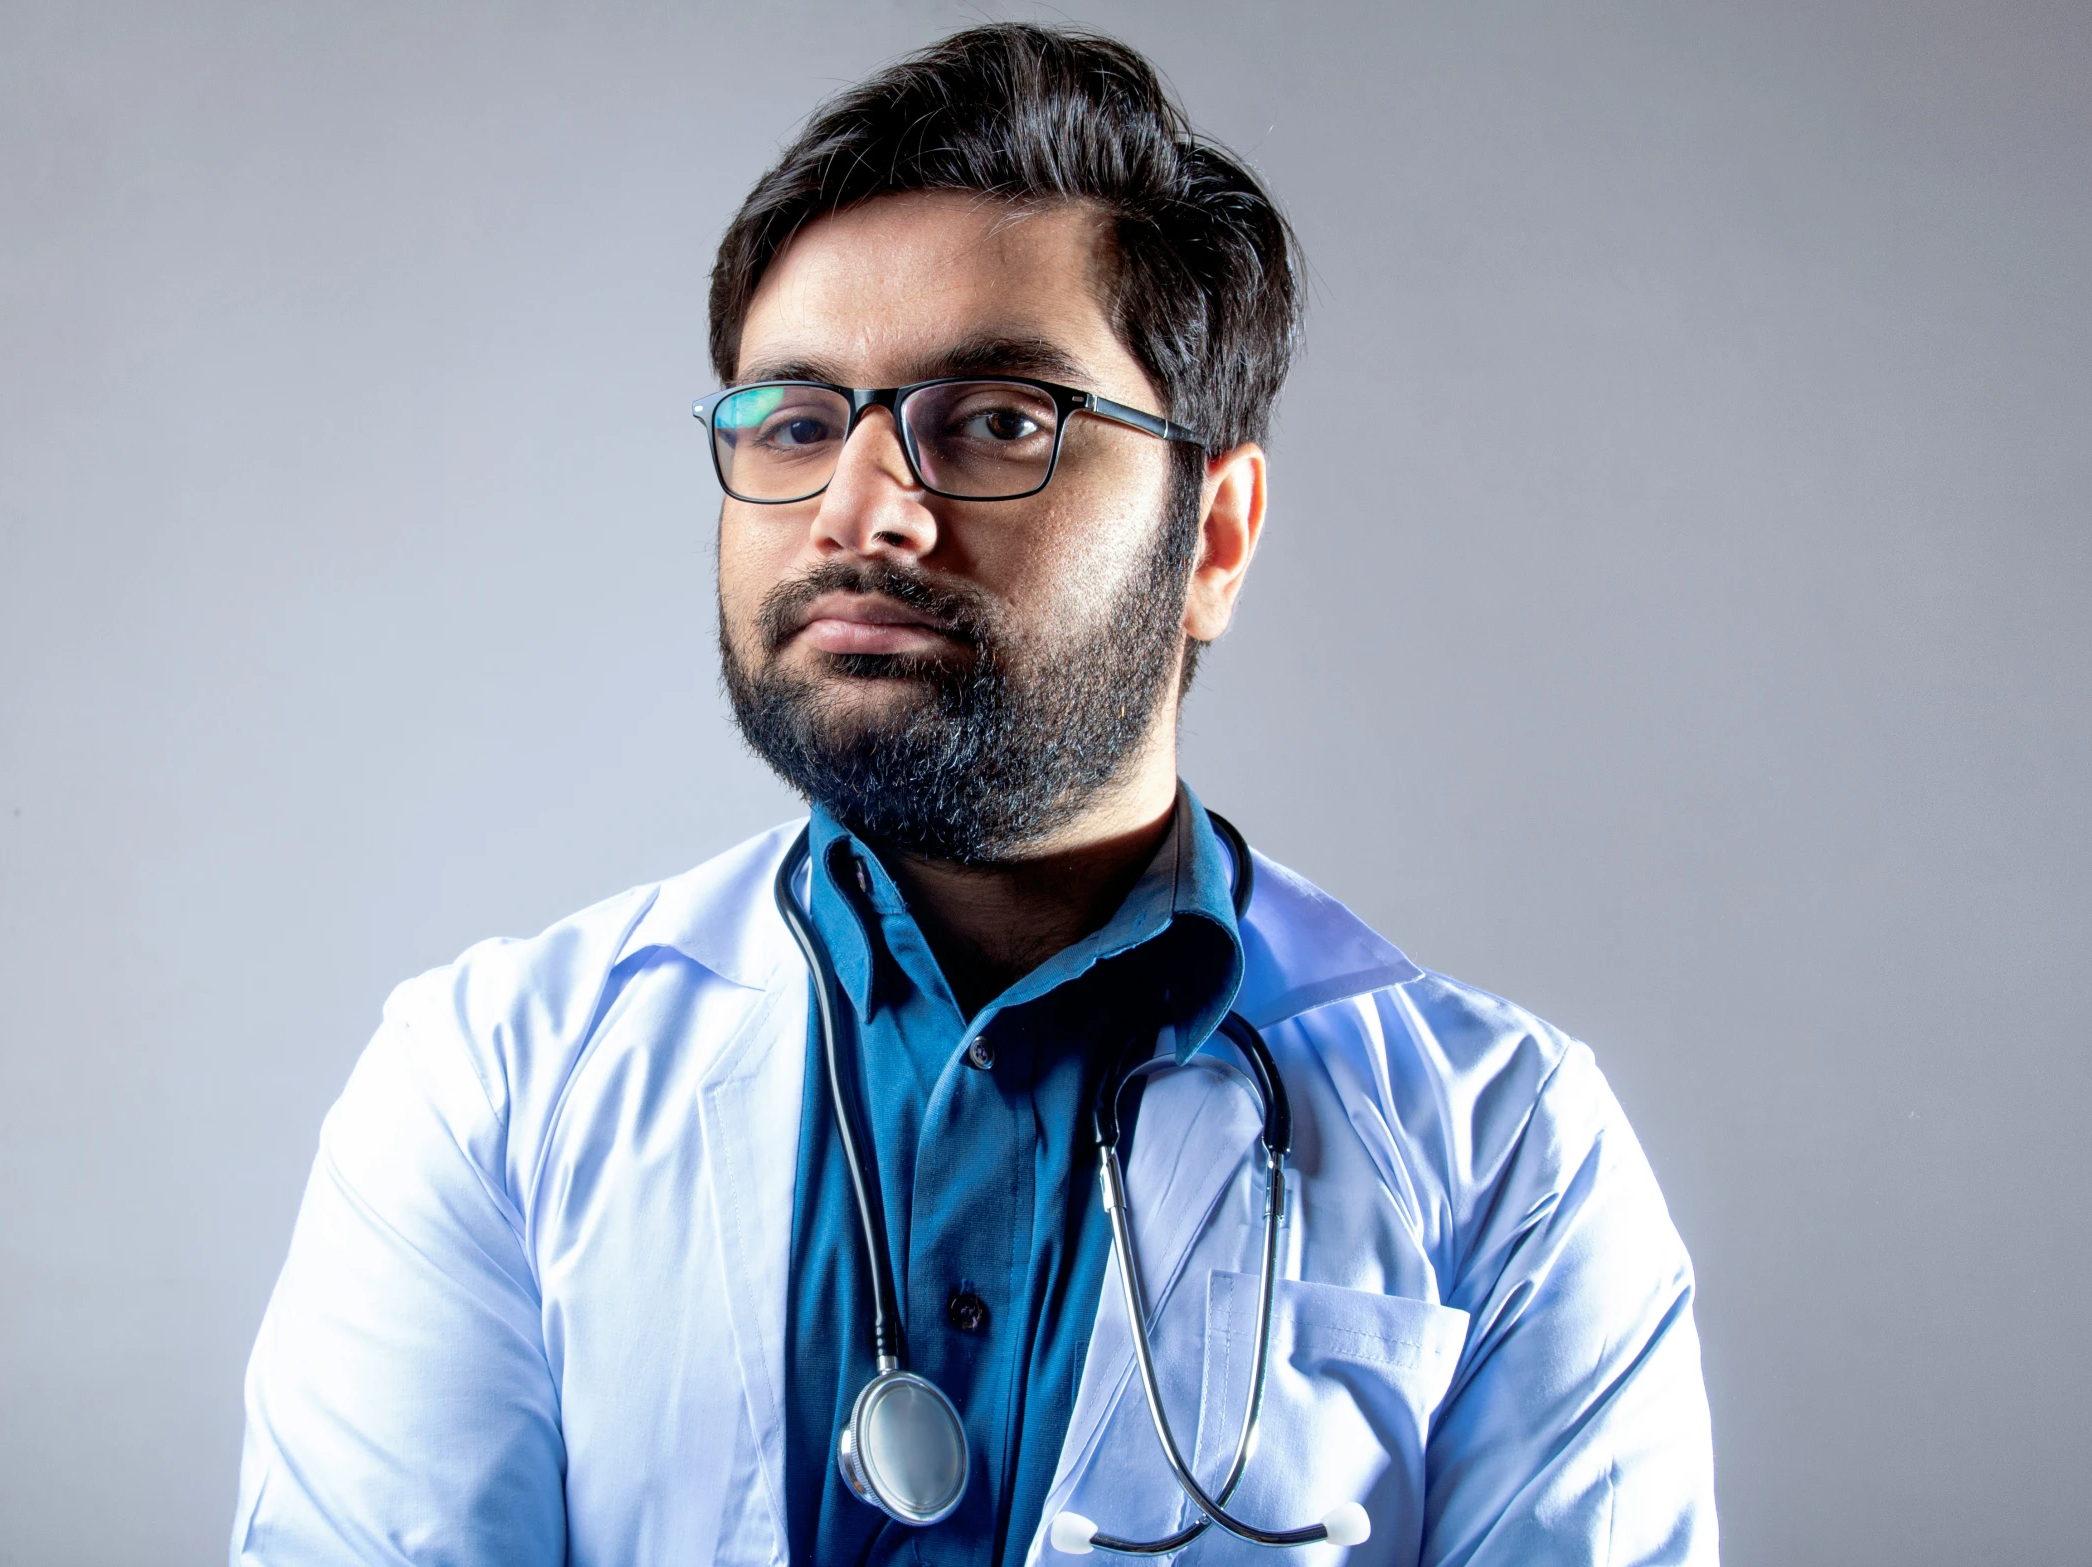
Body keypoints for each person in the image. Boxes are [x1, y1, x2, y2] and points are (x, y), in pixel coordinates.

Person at [231, 24, 1716, 1567]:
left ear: (1212, 536)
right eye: (796, 422)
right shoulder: (488, 1085)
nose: (863, 511)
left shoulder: (1509, 1152)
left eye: (1000, 420)